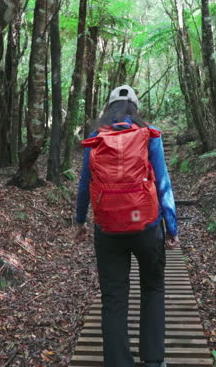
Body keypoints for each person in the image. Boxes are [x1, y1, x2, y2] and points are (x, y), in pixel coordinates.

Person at [74, 84, 179, 367]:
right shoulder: (148, 134)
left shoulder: (97, 137)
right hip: (147, 226)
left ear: (109, 108)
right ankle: (154, 360)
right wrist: (172, 227)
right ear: (135, 107)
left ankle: (119, 362)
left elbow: (85, 184)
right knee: (153, 289)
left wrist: (80, 221)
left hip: (108, 229)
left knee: (114, 298)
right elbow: (163, 182)